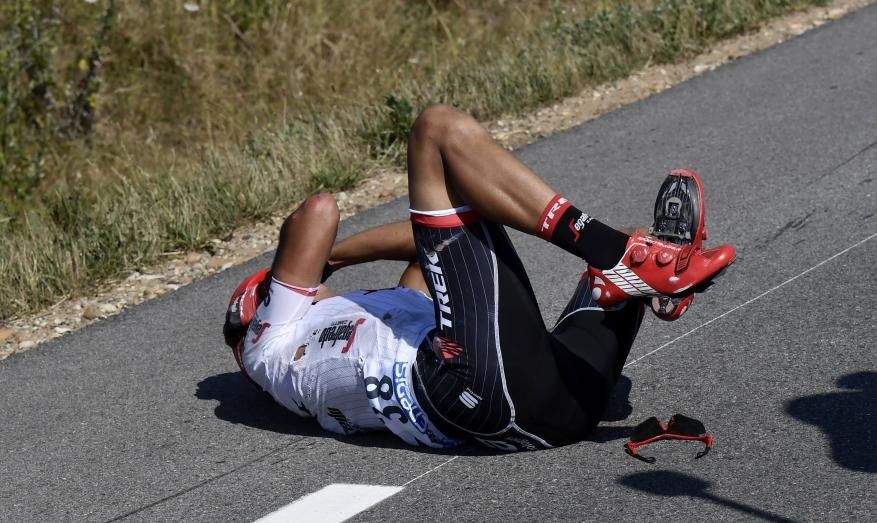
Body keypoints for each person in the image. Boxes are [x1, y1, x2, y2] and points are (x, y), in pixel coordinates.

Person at [223, 105, 734, 451]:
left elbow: (422, 242)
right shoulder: (264, 343)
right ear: (260, 303)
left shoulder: (344, 332)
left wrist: (335, 269)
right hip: (466, 388)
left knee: (633, 250)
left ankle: (647, 274)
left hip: (554, 412)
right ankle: (627, 257)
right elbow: (317, 211)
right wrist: (324, 263)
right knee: (436, 130)